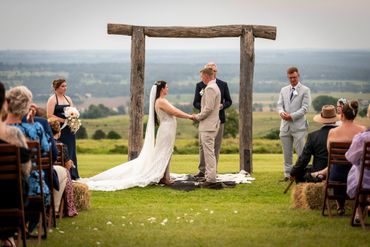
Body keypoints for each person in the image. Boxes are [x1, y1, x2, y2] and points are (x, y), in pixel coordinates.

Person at [81, 81, 193, 191]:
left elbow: (175, 111)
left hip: (169, 129)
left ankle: (165, 175)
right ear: (162, 89)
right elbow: (175, 112)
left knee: (167, 152)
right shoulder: (160, 101)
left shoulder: (163, 100)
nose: (168, 89)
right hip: (166, 130)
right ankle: (164, 177)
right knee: (164, 152)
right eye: (166, 87)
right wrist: (190, 116)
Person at [5, 85, 52, 233]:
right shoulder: (36, 128)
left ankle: (11, 232)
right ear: (27, 106)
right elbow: (46, 150)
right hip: (30, 190)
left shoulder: (3, 130)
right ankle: (24, 227)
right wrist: (30, 122)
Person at [312, 101, 366, 215]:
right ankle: (358, 209)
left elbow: (329, 152)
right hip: (358, 175)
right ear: (355, 115)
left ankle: (340, 207)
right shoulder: (362, 130)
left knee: (337, 166)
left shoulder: (332, 132)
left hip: (336, 175)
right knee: (356, 168)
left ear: (341, 115)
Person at [0, 82, 31, 247]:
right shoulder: (14, 134)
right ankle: (9, 237)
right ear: (5, 104)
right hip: (8, 198)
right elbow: (26, 171)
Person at [193, 62, 232, 178]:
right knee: (203, 146)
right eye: (211, 70)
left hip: (218, 119)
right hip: (205, 119)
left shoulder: (221, 85)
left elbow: (228, 101)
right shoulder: (200, 85)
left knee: (215, 146)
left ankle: (212, 171)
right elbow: (196, 102)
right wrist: (203, 109)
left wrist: (221, 106)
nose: (213, 72)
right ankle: (202, 170)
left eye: (214, 70)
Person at [277, 67, 311, 181]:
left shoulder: (305, 90)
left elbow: (305, 108)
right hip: (285, 127)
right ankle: (287, 175)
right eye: (290, 77)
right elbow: (279, 105)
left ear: (298, 76)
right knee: (287, 153)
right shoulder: (283, 90)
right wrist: (282, 113)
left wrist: (291, 116)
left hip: (299, 127)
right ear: (288, 77)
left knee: (301, 154)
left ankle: (302, 175)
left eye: (294, 77)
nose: (292, 80)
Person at [290, 105, 338, 182]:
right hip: (338, 172)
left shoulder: (313, 136)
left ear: (322, 120)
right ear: (335, 119)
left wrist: (293, 172)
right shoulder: (342, 135)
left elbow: (304, 159)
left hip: (318, 173)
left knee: (300, 173)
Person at [192, 67, 221, 185]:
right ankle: (209, 175)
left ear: (207, 76)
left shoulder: (210, 88)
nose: (201, 79)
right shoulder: (215, 87)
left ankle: (211, 179)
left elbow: (208, 108)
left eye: (202, 77)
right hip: (212, 124)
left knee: (209, 153)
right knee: (209, 152)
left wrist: (197, 117)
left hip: (208, 125)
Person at [46, 78, 79, 180]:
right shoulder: (52, 99)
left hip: (69, 130)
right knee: (61, 150)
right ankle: (62, 174)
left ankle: (73, 174)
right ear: (56, 88)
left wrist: (73, 119)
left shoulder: (68, 99)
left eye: (65, 86)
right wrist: (62, 120)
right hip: (58, 130)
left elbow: (72, 111)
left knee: (71, 149)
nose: (65, 88)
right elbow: (49, 115)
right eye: (62, 86)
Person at [49, 118, 78, 217]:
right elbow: (66, 166)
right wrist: (69, 163)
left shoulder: (42, 143)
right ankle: (58, 209)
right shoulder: (62, 146)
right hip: (57, 175)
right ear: (59, 132)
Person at [346, 104, 370, 222]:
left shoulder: (362, 138)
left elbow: (350, 158)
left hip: (365, 180)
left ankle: (359, 212)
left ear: (368, 115)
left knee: (359, 171)